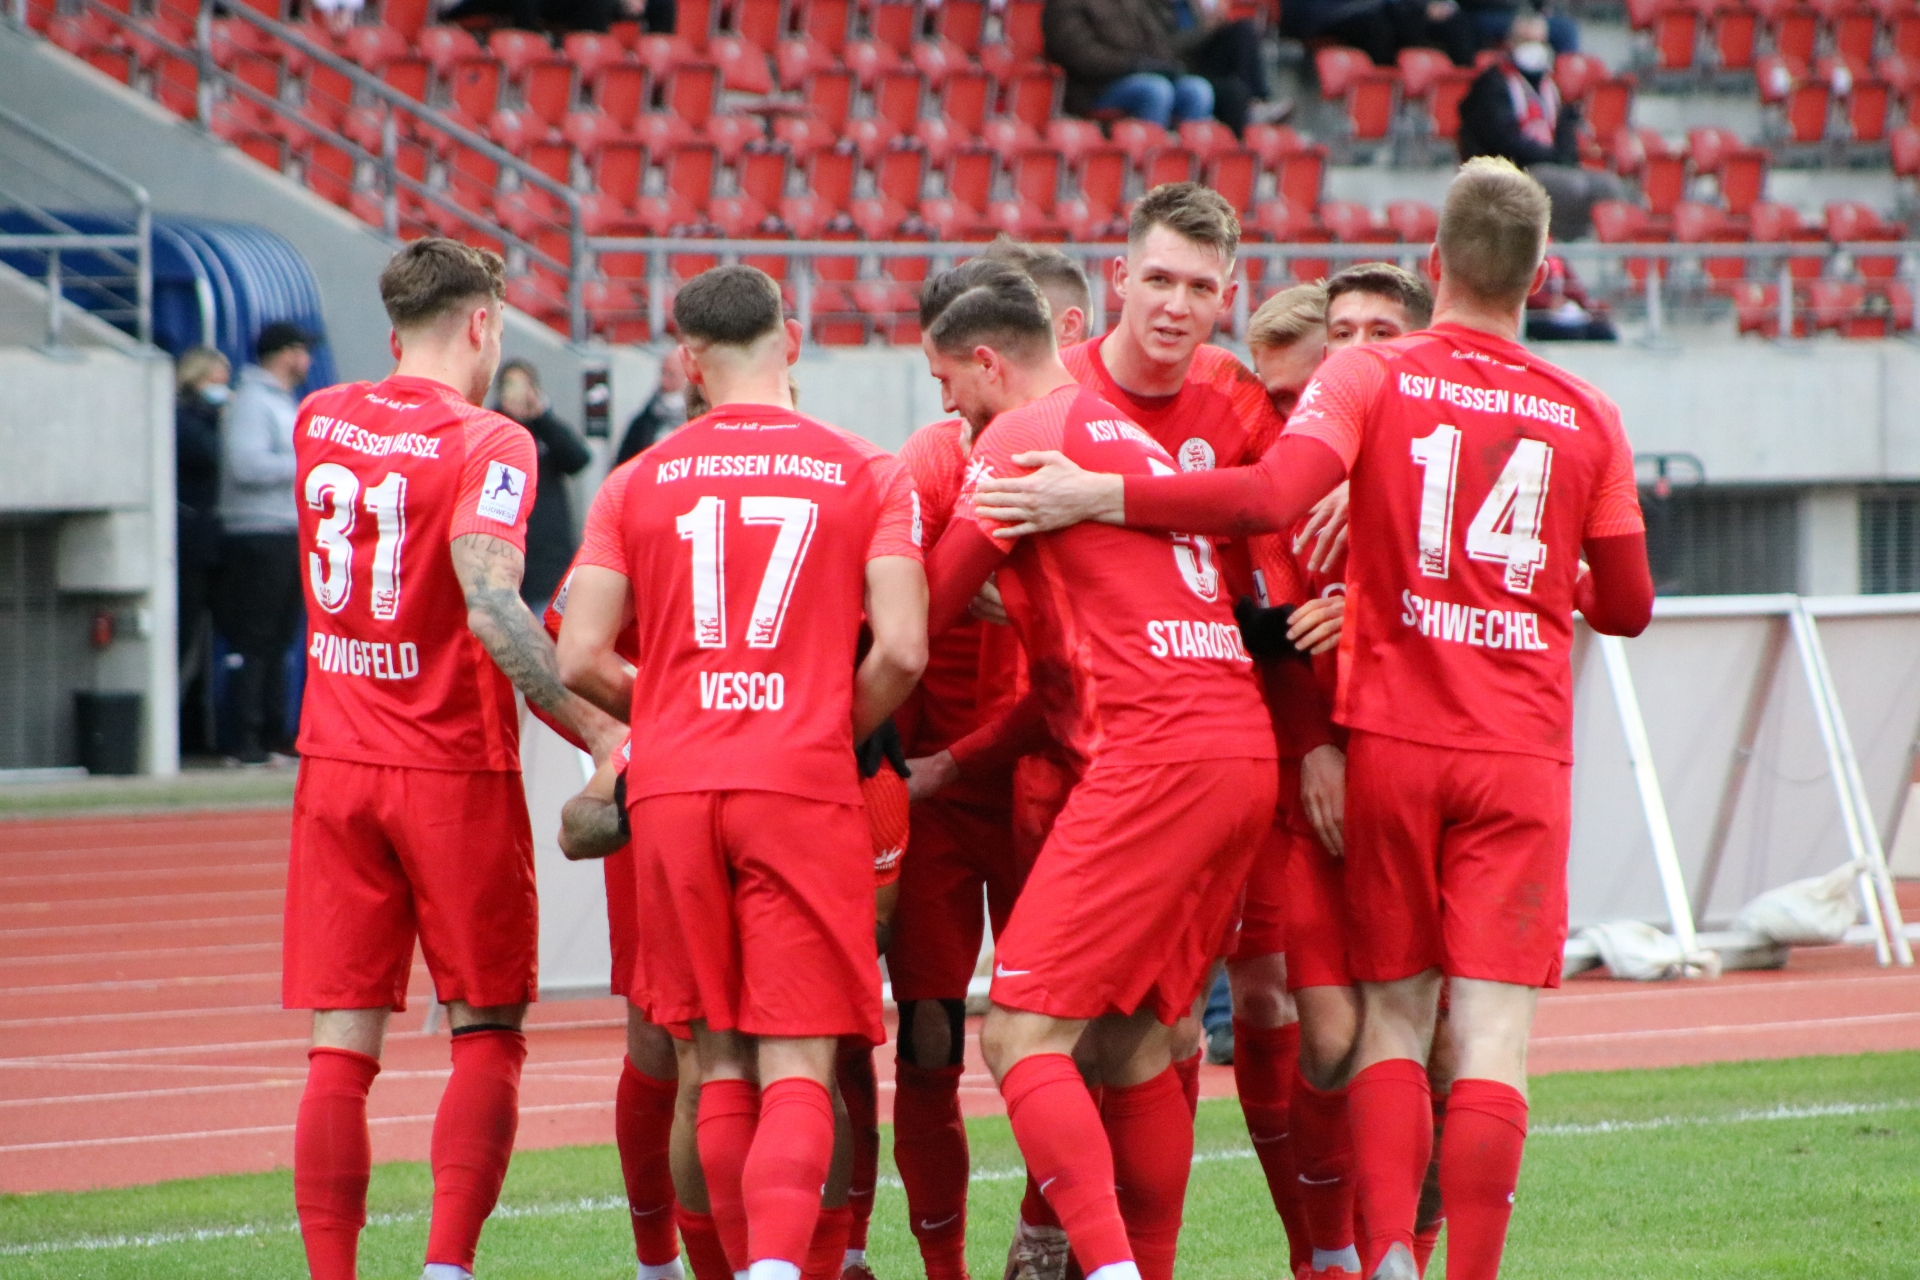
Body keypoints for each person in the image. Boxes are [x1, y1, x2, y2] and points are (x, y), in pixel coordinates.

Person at [971, 156, 1656, 1280]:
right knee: (1484, 1040)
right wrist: (1538, 583)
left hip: (1381, 742)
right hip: (1507, 750)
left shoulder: (1372, 381)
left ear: (1434, 267)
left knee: (1380, 1026)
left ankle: (1370, 1254)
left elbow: (1268, 497)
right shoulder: (1592, 408)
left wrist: (1101, 496)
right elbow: (1627, 604)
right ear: (1542, 277)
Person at [556, 264, 927, 1280]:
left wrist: (677, 713)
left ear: (688, 362)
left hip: (676, 785)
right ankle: (782, 1266)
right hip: (799, 779)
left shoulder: (635, 480)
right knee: (801, 1058)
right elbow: (902, 649)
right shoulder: (868, 469)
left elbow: (579, 656)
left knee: (713, 1057)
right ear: (791, 340)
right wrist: (821, 723)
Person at [918, 257, 1279, 1280]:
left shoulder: (1021, 440)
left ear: (987, 362)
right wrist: (950, 764)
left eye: (947, 380)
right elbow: (1088, 658)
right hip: (1236, 750)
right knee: (1139, 1040)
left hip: (1153, 760)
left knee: (1020, 1036)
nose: (946, 405)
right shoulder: (1124, 439)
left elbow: (922, 617)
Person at [283, 238, 626, 1280]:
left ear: (395, 330)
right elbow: (491, 602)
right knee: (486, 1028)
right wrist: (604, 729)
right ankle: (445, 1266)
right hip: (448, 764)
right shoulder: (491, 440)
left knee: (341, 1046)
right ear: (482, 324)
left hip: (335, 760)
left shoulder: (318, 415)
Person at [883, 238, 1090, 1280]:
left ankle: (1049, 1236)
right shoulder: (930, 460)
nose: (948, 395)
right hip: (940, 794)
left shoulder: (1097, 449)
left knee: (1076, 1033)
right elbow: (902, 620)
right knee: (928, 1036)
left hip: (1056, 787)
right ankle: (945, 1267)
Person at [215, 319, 314, 766]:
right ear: (285, 353)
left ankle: (274, 735)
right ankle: (245, 738)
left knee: (278, 639)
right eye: (301, 350)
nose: (307, 360)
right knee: (256, 639)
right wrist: (306, 462)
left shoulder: (282, 402)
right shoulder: (254, 402)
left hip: (285, 530)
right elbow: (246, 465)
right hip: (256, 532)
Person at [1457, 10, 1623, 241]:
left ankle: (1588, 245)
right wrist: (1551, 156)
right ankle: (1552, 244)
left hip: (1550, 163)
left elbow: (1564, 128)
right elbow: (1503, 139)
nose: (1535, 47)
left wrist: (1564, 156)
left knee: (1608, 185)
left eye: (1541, 42)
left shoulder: (1550, 83)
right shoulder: (1493, 83)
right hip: (1515, 166)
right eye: (1527, 41)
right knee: (1572, 187)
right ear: (1510, 43)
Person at [493, 359, 591, 609]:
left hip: (548, 560)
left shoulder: (545, 428)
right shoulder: (493, 428)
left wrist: (542, 416)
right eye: (510, 386)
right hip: (506, 556)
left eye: (523, 386)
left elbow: (578, 459)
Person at [174, 344, 230, 757]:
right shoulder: (184, 419)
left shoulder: (204, 417)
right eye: (216, 379)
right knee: (184, 636)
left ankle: (199, 729)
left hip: (207, 541)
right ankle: (177, 730)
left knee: (204, 639)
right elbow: (210, 455)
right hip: (190, 542)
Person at [1042, 0, 1216, 128]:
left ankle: (1183, 162)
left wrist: (1163, 64)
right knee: (1155, 91)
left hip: (1143, 73)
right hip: (1092, 89)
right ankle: (1147, 157)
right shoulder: (1065, 4)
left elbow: (1158, 39)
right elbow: (1081, 56)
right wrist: (1133, 65)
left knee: (1197, 90)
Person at [1163, 0, 1293, 131]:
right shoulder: (1162, 6)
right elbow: (1167, 48)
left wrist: (1216, 21)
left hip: (1199, 56)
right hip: (1179, 68)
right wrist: (1206, 28)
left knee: (1244, 30)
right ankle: (1248, 109)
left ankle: (1258, 101)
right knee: (1233, 93)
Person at [616, 357, 692, 465]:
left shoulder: (699, 416)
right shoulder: (644, 422)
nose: (664, 381)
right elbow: (624, 463)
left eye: (671, 374)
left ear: (687, 377)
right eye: (662, 373)